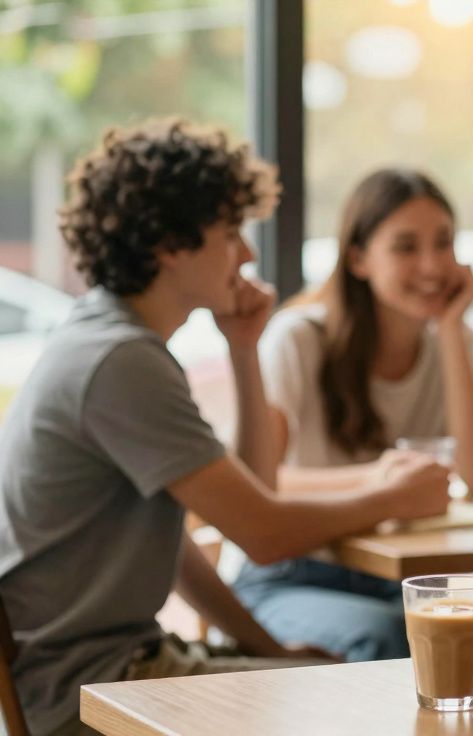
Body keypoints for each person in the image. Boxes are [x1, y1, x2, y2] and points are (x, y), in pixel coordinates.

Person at [0, 119, 448, 736]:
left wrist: (243, 348)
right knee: (351, 712)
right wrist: (392, 497)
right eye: (231, 231)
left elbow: (218, 524)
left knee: (330, 687)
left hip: (110, 668)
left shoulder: (111, 340)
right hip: (89, 692)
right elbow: (265, 534)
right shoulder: (122, 361)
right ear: (169, 242)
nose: (247, 254)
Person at [232, 168, 473, 662]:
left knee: (467, 635)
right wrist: (379, 484)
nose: (432, 265)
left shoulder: (456, 340)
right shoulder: (298, 339)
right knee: (390, 637)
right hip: (291, 576)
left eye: (444, 243)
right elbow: (259, 483)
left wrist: (449, 331)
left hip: (401, 578)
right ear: (358, 258)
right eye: (405, 247)